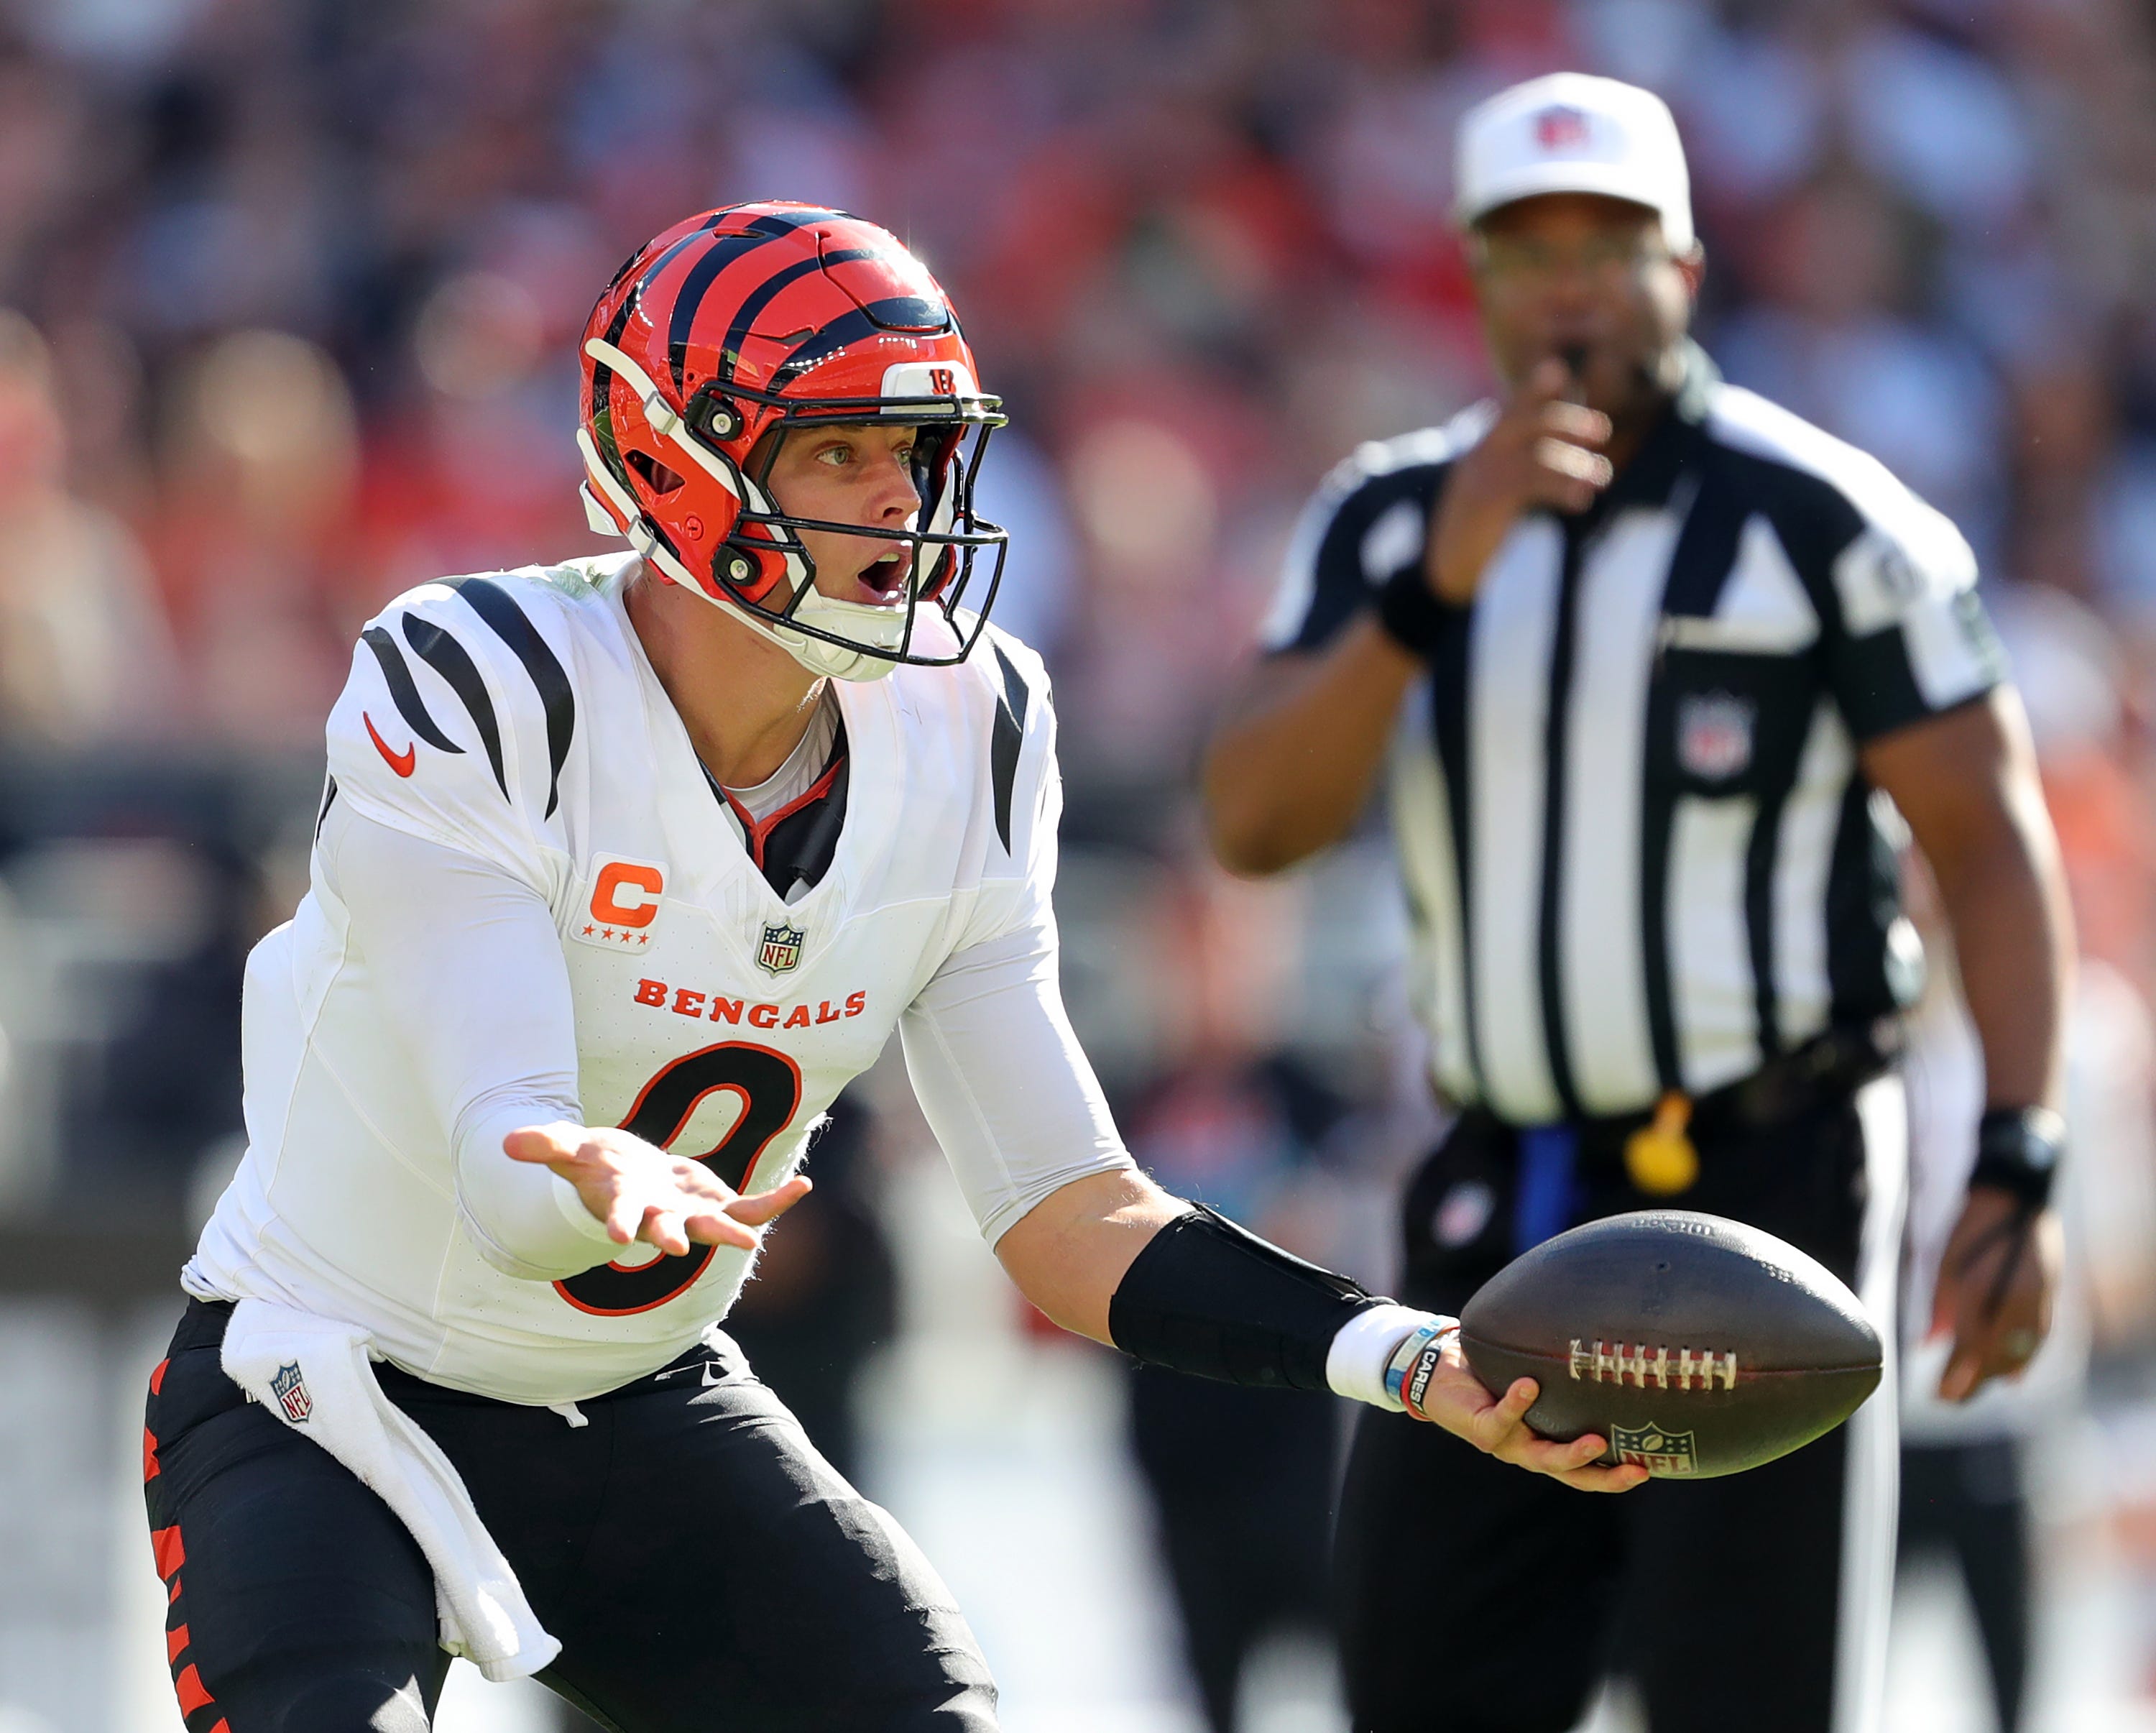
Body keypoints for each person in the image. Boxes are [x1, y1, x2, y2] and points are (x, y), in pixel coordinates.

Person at [139, 203, 1636, 1733]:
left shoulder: (969, 730)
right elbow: (510, 1177)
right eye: (841, 451)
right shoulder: (483, 684)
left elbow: (1072, 1218)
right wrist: (589, 1167)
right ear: (679, 456)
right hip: (324, 1398)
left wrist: (1412, 1359)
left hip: (640, 1403)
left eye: (916, 453)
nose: (901, 503)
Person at [1202, 75, 2073, 1733]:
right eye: (1531, 247)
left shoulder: (1827, 523)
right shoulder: (1391, 517)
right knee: (1426, 1675)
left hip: (1776, 1169)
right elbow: (1253, 821)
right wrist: (1432, 586)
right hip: (1495, 1171)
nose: (1574, 283)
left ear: (1686, 260)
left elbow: (1986, 829)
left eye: (1611, 240)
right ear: (1469, 273)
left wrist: (2020, 1150)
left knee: (1749, 1695)